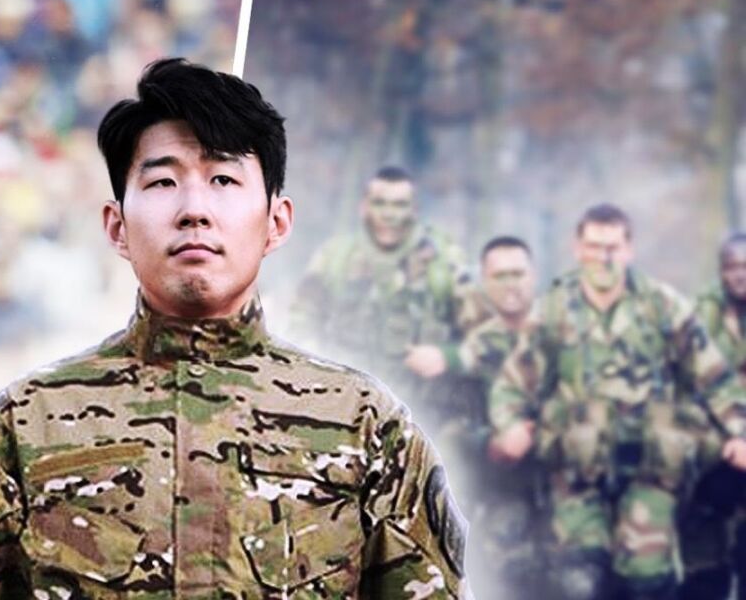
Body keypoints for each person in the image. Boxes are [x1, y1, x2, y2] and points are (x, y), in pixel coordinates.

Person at [0, 58, 468, 599]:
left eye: (223, 179)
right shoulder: (26, 425)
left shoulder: (362, 424)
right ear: (117, 226)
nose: (194, 209)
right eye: (162, 182)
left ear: (276, 222)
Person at [488, 204, 746, 599]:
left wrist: (739, 433)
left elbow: (715, 378)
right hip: (577, 473)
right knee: (581, 578)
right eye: (594, 247)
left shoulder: (662, 306)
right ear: (578, 249)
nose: (603, 258)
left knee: (647, 578)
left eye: (612, 247)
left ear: (628, 249)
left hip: (650, 469)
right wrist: (509, 427)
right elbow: (514, 382)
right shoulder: (554, 311)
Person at [406, 235, 542, 599]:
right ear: (484, 280)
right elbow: (441, 427)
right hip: (497, 485)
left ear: (534, 276)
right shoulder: (465, 348)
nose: (511, 285)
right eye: (500, 276)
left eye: (518, 274)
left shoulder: (561, 332)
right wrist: (489, 442)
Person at [290, 166, 473, 432]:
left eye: (399, 205)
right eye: (380, 203)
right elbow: (300, 323)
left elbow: (487, 332)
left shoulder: (444, 262)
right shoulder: (335, 258)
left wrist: (448, 356)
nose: (389, 214)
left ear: (414, 210)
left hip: (425, 418)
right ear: (364, 207)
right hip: (346, 413)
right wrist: (323, 368)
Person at [677, 233, 746, 599]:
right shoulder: (700, 315)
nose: (741, 275)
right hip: (716, 439)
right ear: (720, 272)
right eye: (732, 267)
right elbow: (689, 382)